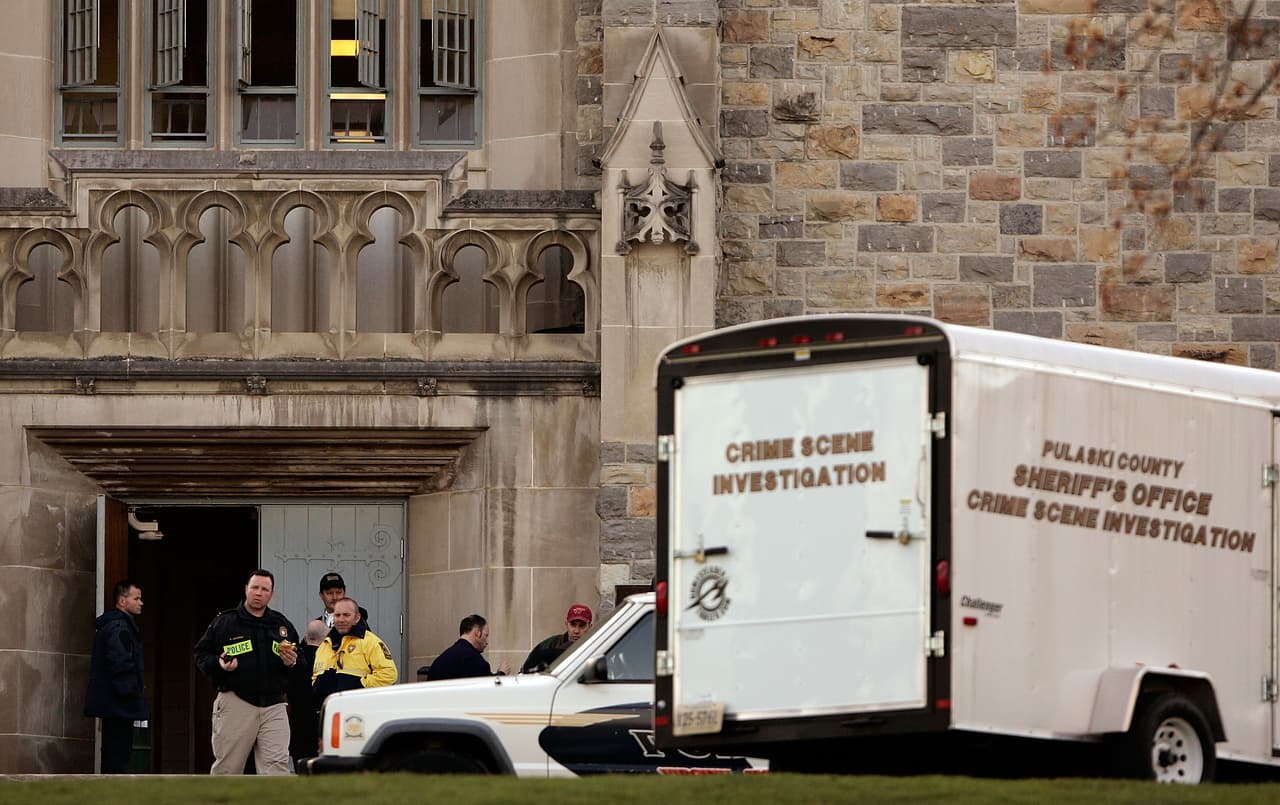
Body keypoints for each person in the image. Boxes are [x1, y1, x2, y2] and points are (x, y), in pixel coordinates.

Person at [193, 569, 303, 775]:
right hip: (236, 701)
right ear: (246, 589)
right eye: (254, 587)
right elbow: (201, 654)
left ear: (271, 594)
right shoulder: (225, 622)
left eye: (264, 589)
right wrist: (219, 664)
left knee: (277, 769)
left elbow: (301, 661)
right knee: (228, 768)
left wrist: (292, 663)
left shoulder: (281, 624)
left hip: (274, 705)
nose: (259, 593)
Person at [84, 580, 148, 774]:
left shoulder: (114, 625)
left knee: (115, 753)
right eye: (136, 598)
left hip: (114, 704)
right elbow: (121, 663)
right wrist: (131, 694)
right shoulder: (119, 627)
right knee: (118, 756)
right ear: (122, 600)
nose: (141, 602)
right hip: (119, 705)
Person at [312, 597, 398, 703]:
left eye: (346, 615)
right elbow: (315, 677)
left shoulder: (370, 641)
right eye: (337, 615)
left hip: (360, 708)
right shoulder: (325, 645)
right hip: (330, 710)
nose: (341, 619)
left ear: (357, 618)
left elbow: (389, 674)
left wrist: (359, 687)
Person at [287, 619, 328, 767]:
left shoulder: (294, 661)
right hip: (319, 724)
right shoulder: (328, 661)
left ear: (305, 638)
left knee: (300, 767)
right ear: (326, 640)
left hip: (297, 723)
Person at [427, 614, 511, 680]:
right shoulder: (473, 659)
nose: (487, 642)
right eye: (486, 635)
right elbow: (486, 688)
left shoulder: (442, 659)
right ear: (477, 632)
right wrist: (501, 674)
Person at [521, 603, 593, 673]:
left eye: (582, 626)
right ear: (566, 624)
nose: (576, 631)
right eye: (573, 625)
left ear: (589, 627)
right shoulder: (548, 645)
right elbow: (525, 672)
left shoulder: (596, 647)